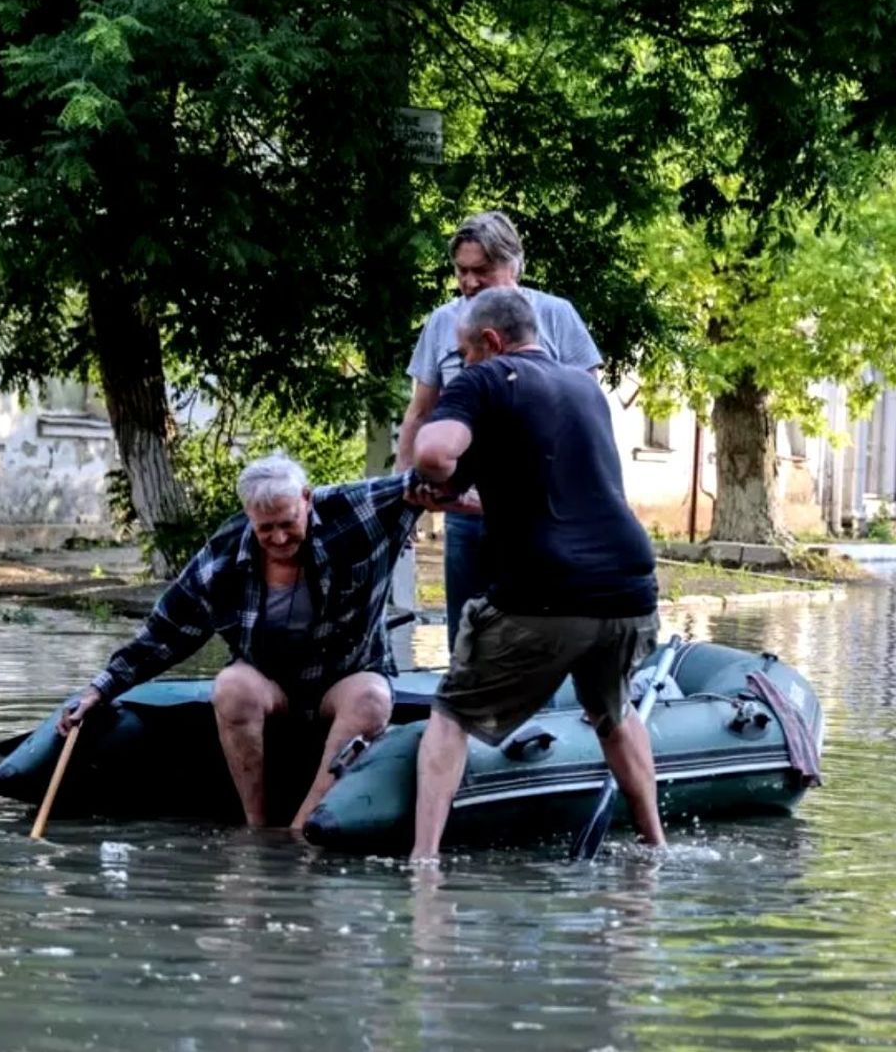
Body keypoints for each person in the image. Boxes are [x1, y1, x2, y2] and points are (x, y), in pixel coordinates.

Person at [406, 288, 662, 862]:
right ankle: (655, 846)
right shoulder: (584, 388)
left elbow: (436, 454)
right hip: (629, 589)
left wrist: (427, 457)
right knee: (612, 713)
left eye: (466, 351)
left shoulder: (485, 378)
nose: (464, 363)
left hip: (545, 594)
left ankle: (423, 866)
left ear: (491, 342)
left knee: (451, 714)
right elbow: (549, 490)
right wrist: (459, 497)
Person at [61, 453, 421, 830]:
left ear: (307, 498)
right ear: (248, 515)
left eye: (288, 523)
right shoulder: (222, 558)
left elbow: (429, 480)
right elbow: (164, 633)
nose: (279, 538)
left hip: (346, 676)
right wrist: (99, 690)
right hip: (271, 682)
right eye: (266, 529)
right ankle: (256, 827)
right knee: (230, 685)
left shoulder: (354, 510)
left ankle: (303, 829)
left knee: (373, 698)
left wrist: (469, 502)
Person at [395, 211, 604, 649]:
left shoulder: (556, 316)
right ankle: (465, 713)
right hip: (468, 514)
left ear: (514, 265)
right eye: (461, 271)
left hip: (542, 516)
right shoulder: (442, 323)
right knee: (467, 641)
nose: (469, 282)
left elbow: (586, 414)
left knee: (537, 638)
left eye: (482, 271)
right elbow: (420, 414)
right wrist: (402, 497)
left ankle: (539, 714)